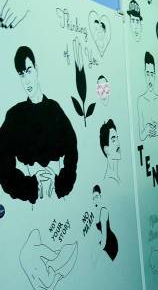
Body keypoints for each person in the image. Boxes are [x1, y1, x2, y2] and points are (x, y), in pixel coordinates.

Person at [0, 46, 78, 204]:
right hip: (31, 203)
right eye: (21, 74)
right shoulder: (15, 115)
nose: (26, 80)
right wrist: (29, 186)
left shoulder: (55, 109)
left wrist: (60, 183)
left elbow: (72, 149)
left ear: (36, 69)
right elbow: (2, 162)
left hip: (59, 197)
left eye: (28, 71)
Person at [137, 52, 158, 140]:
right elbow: (141, 136)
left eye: (152, 74)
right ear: (145, 75)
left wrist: (157, 131)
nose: (150, 79)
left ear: (155, 76)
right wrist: (147, 130)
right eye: (148, 74)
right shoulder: (140, 101)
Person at [93, 185, 118, 261]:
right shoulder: (97, 210)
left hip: (110, 243)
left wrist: (97, 252)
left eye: (97, 196)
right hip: (104, 241)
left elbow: (104, 237)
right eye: (94, 198)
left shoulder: (103, 211)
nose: (95, 199)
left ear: (100, 196)